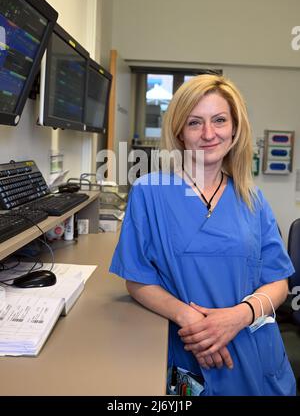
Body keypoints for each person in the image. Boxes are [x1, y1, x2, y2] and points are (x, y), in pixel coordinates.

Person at [109, 74, 296, 396]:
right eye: (195, 123)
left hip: (253, 346)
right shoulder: (149, 193)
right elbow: (137, 279)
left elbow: (278, 281)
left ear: (235, 128)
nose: (209, 134)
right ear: (180, 132)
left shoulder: (253, 198)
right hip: (190, 348)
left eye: (220, 120)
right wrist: (194, 322)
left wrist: (238, 317)